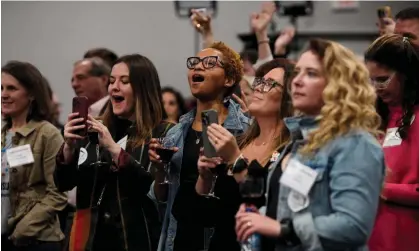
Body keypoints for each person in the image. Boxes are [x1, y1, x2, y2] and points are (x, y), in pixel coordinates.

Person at [235, 38, 386, 251]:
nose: (296, 81)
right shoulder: (301, 139)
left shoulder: (356, 144)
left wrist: (284, 229)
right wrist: (257, 216)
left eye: (311, 74)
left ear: (338, 86)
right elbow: (295, 207)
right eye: (298, 72)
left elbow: (353, 226)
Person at [54, 54, 174, 251]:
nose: (114, 87)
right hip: (89, 239)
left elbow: (155, 192)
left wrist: (114, 149)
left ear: (143, 88)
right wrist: (68, 147)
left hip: (136, 238)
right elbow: (63, 182)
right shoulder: (94, 129)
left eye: (124, 81)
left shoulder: (164, 132)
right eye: (111, 81)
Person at [148, 41, 250, 251]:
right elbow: (163, 200)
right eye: (194, 63)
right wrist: (159, 171)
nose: (197, 67)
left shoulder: (245, 131)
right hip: (178, 241)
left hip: (223, 241)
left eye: (210, 63)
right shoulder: (175, 133)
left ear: (229, 79)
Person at [195, 58, 295, 251]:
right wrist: (204, 177)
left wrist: (235, 159)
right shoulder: (239, 141)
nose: (258, 88)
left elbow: (268, 205)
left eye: (269, 84)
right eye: (259, 82)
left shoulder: (290, 149)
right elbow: (206, 215)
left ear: (289, 97)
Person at [1, 61, 67, 251]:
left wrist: (23, 228)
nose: (3, 94)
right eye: (1, 88)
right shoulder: (2, 134)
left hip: (36, 239)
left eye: (11, 88)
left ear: (31, 94)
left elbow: (58, 193)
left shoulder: (48, 134)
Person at [365, 34, 419, 251]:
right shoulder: (373, 119)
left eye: (383, 79)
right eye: (372, 80)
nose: (376, 87)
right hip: (370, 239)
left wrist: (384, 189)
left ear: (406, 75)